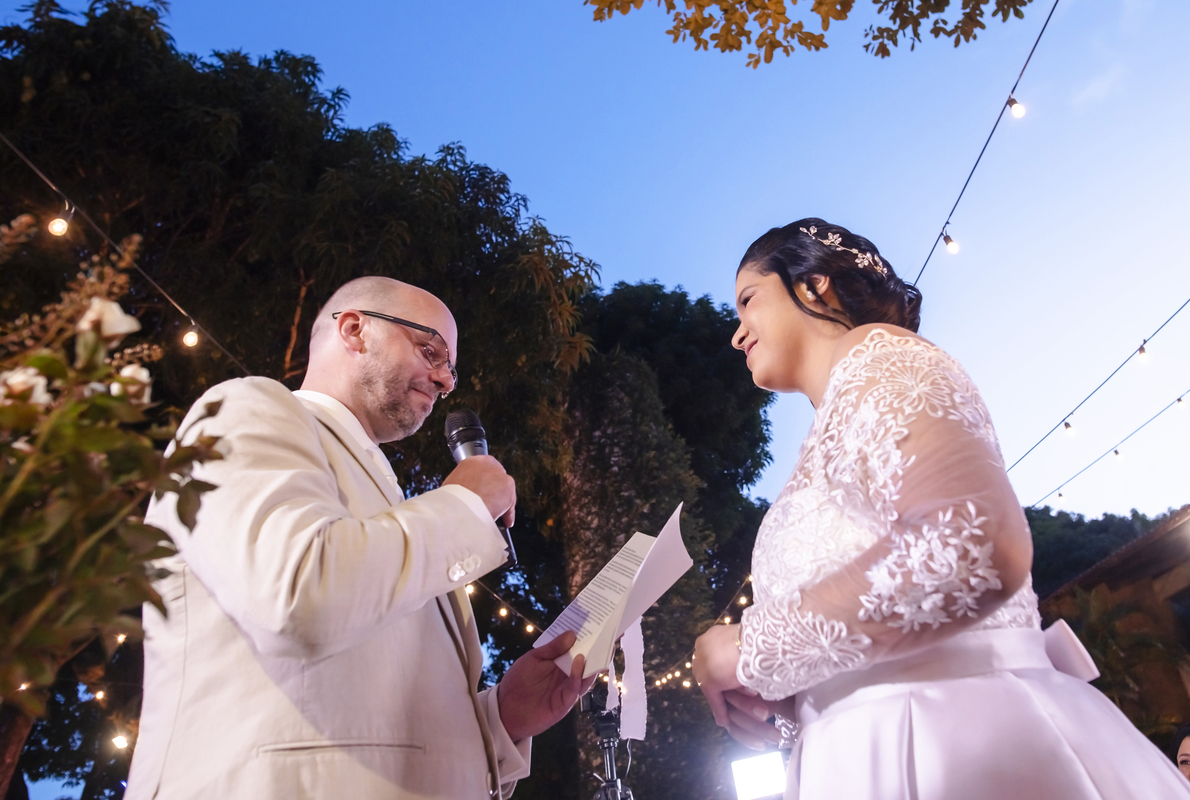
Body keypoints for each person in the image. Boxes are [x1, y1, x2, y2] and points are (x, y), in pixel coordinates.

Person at [692, 219, 1190, 799]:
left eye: (747, 300)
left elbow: (970, 545)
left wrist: (750, 649)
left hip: (948, 747)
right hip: (862, 758)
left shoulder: (876, 356)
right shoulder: (832, 419)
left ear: (814, 285)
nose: (736, 333)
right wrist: (787, 698)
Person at [125, 276, 592, 800]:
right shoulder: (246, 409)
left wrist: (504, 717)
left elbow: (378, 705)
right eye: (430, 351)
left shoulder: (398, 518)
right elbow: (299, 596)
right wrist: (464, 505)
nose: (445, 382)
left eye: (451, 368)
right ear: (353, 330)